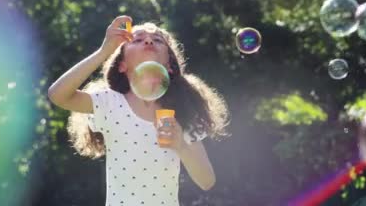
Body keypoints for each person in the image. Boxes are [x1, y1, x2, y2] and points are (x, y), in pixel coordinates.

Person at [48, 15, 230, 206]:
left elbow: (207, 180)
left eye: (158, 40)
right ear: (122, 65)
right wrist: (104, 51)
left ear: (169, 65)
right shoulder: (109, 103)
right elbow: (58, 95)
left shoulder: (179, 112)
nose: (149, 40)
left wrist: (181, 146)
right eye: (137, 39)